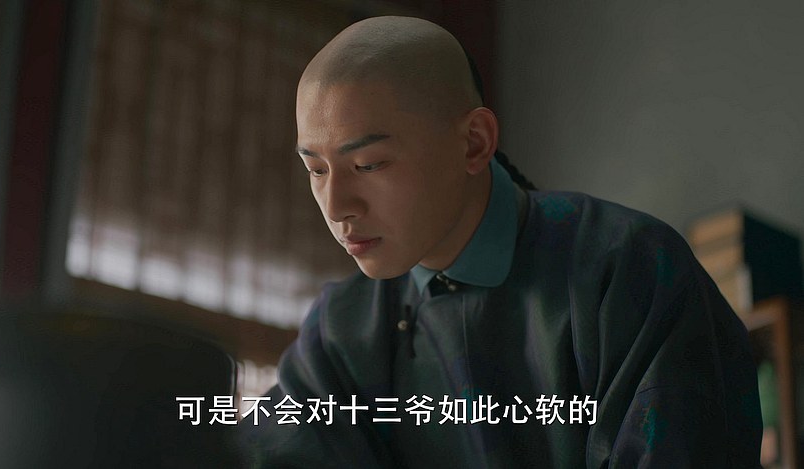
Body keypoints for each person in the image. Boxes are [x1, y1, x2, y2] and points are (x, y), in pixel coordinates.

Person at [235, 15, 762, 468]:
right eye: (316, 169)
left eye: (368, 164)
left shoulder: (628, 271)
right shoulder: (341, 329)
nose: (335, 206)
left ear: (474, 143)